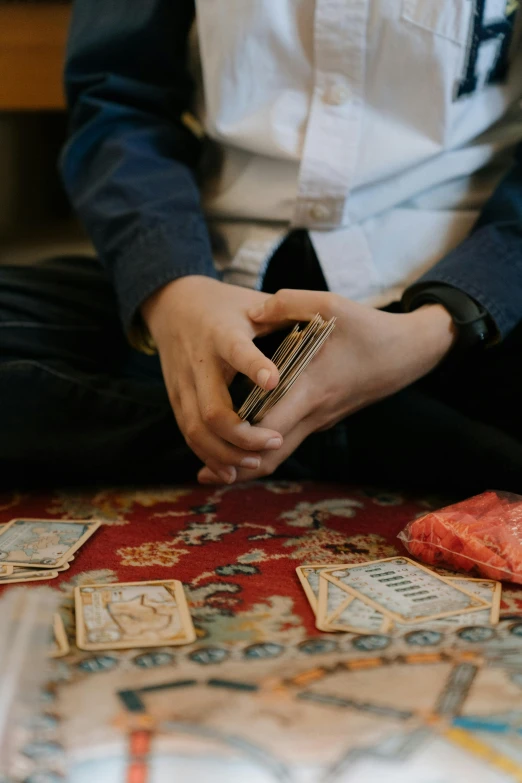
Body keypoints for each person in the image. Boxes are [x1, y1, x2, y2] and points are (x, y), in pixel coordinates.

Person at [1, 0, 522, 492]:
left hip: (459, 306)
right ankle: (386, 436)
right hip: (218, 283)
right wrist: (172, 290)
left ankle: (264, 430)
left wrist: (432, 331)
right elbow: (117, 98)